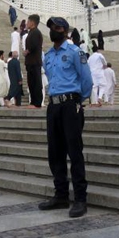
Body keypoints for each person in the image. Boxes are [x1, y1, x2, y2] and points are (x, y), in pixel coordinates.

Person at [38, 17, 93, 218]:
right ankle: (60, 195)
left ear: (65, 31)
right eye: (51, 27)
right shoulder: (48, 55)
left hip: (71, 104)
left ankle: (80, 199)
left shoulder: (75, 52)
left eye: (58, 27)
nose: (54, 30)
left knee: (74, 151)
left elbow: (87, 80)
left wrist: (78, 100)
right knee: (55, 152)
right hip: (53, 106)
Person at [24, 14, 44, 108]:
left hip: (34, 61)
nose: (26, 23)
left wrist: (27, 51)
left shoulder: (36, 32)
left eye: (28, 21)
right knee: (31, 83)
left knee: (36, 82)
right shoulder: (31, 32)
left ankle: (37, 102)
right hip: (30, 61)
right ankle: (33, 101)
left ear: (32, 22)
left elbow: (34, 45)